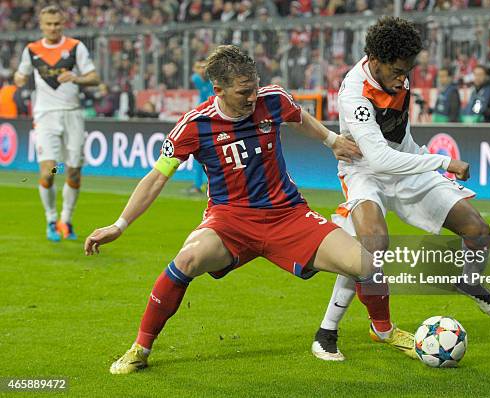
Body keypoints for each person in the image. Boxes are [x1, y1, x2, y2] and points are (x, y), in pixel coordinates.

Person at [83, 45, 409, 374]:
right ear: (219, 90)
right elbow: (156, 178)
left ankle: (383, 329)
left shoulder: (272, 99)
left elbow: (298, 117)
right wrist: (119, 225)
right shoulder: (193, 125)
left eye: (254, 87)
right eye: (243, 92)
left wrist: (330, 140)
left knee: (366, 263)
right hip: (229, 222)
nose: (252, 97)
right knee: (186, 260)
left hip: (287, 215)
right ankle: (141, 347)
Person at [311, 17, 490, 362]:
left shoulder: (396, 68)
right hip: (364, 170)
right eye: (398, 71)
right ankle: (331, 330)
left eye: (408, 70)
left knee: (478, 230)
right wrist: (443, 162)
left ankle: (469, 281)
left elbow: (396, 147)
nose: (404, 78)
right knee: (371, 244)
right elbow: (380, 159)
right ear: (374, 60)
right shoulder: (354, 93)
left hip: (408, 160)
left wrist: (425, 158)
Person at [14, 5, 100, 241]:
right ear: (41, 25)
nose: (53, 28)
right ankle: (51, 219)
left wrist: (77, 77)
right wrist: (19, 77)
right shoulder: (32, 50)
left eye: (57, 24)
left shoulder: (75, 47)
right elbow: (20, 74)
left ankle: (66, 220)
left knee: (72, 171)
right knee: (49, 171)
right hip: (45, 116)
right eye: (48, 24)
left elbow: (94, 78)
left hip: (72, 115)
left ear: (63, 24)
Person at [187, 58, 215, 195]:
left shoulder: (213, 82)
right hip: (203, 123)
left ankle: (213, 186)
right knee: (199, 154)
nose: (201, 69)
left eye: (204, 67)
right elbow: (194, 76)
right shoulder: (198, 80)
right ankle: (198, 185)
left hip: (217, 123)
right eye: (199, 67)